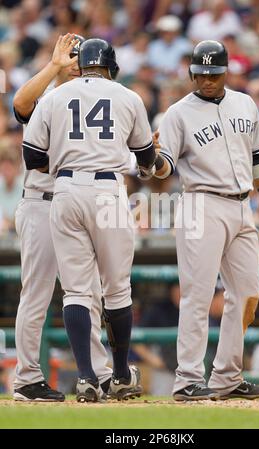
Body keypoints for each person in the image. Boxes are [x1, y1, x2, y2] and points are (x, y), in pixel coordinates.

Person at [22, 38, 158, 402]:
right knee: (116, 288)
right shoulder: (127, 96)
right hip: (107, 190)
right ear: (110, 66)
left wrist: (74, 159)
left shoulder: (55, 96)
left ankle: (85, 378)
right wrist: (133, 160)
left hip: (64, 191)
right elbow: (146, 159)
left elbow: (32, 156)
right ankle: (119, 375)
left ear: (80, 64)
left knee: (76, 291)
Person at [154, 40, 259, 401]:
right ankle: (187, 379)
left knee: (247, 294)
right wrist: (153, 157)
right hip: (201, 202)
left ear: (227, 71)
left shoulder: (246, 103)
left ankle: (227, 376)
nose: (207, 79)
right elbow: (164, 165)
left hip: (243, 205)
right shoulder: (178, 113)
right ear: (192, 73)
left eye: (214, 73)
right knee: (197, 295)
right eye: (201, 73)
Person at [13, 34, 112, 402]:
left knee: (88, 294)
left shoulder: (98, 103)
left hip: (77, 202)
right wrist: (53, 66)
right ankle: (26, 378)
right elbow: (20, 103)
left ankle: (99, 375)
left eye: (79, 57)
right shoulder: (49, 99)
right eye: (71, 56)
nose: (75, 62)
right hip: (42, 200)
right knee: (36, 294)